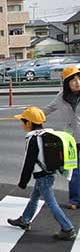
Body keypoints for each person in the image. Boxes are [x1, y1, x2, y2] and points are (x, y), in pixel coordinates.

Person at [7, 107, 76, 240]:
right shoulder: (46, 134)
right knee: (34, 197)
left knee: (51, 203)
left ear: (29, 123)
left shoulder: (33, 139)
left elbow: (29, 162)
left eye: (23, 122)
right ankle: (25, 220)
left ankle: (68, 228)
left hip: (42, 176)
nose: (22, 125)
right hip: (49, 172)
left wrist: (22, 182)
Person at [43, 66, 80, 209]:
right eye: (73, 80)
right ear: (66, 83)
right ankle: (75, 199)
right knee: (74, 170)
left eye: (78, 79)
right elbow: (47, 109)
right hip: (71, 139)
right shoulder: (61, 97)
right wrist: (30, 115)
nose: (77, 82)